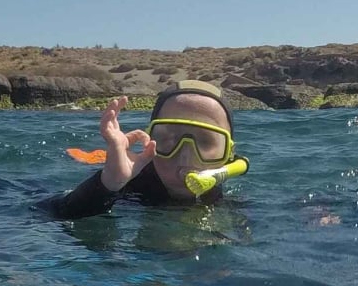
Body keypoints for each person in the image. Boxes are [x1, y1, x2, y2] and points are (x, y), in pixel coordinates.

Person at [39, 80, 247, 219]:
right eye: (167, 138)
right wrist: (108, 183)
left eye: (205, 142)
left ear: (228, 153)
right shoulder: (127, 189)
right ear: (149, 140)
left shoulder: (232, 208)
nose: (184, 157)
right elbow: (50, 214)